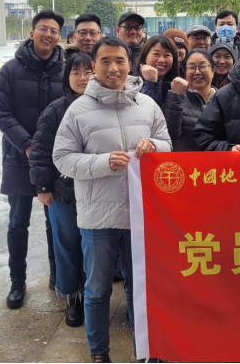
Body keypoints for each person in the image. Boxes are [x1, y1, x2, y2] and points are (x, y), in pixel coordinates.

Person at [53, 36, 172, 364]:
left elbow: (167, 144)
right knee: (97, 289)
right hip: (98, 219)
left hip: (140, 217)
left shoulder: (147, 105)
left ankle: (144, 350)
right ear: (94, 66)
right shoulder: (78, 110)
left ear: (129, 64)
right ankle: (99, 352)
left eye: (119, 60)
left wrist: (154, 146)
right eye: (105, 61)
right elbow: (62, 158)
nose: (113, 67)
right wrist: (103, 162)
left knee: (140, 288)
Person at [0, 10, 65, 311]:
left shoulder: (66, 69)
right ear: (32, 32)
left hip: (56, 159)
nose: (48, 34)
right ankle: (17, 282)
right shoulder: (10, 70)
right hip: (19, 155)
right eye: (43, 28)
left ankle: (57, 275)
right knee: (18, 222)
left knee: (55, 221)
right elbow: (2, 112)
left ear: (59, 36)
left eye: (54, 30)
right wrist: (26, 145)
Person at [29, 53, 93, 329]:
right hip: (62, 193)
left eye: (88, 72)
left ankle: (92, 296)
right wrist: (43, 187)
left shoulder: (104, 106)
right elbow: (40, 151)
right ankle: (71, 297)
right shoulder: (56, 110)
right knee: (66, 245)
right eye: (76, 73)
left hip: (96, 193)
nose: (83, 78)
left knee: (92, 248)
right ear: (67, 78)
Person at [164, 50, 216, 152]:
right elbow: (170, 135)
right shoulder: (177, 98)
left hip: (217, 160)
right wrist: (175, 97)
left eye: (202, 66)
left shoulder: (223, 99)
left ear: (213, 70)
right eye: (192, 67)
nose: (197, 72)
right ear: (185, 72)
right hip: (187, 161)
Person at [137, 35, 180, 106]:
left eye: (167, 55)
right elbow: (148, 110)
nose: (161, 60)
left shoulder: (179, 86)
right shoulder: (133, 85)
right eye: (156, 54)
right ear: (145, 57)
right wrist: (151, 83)